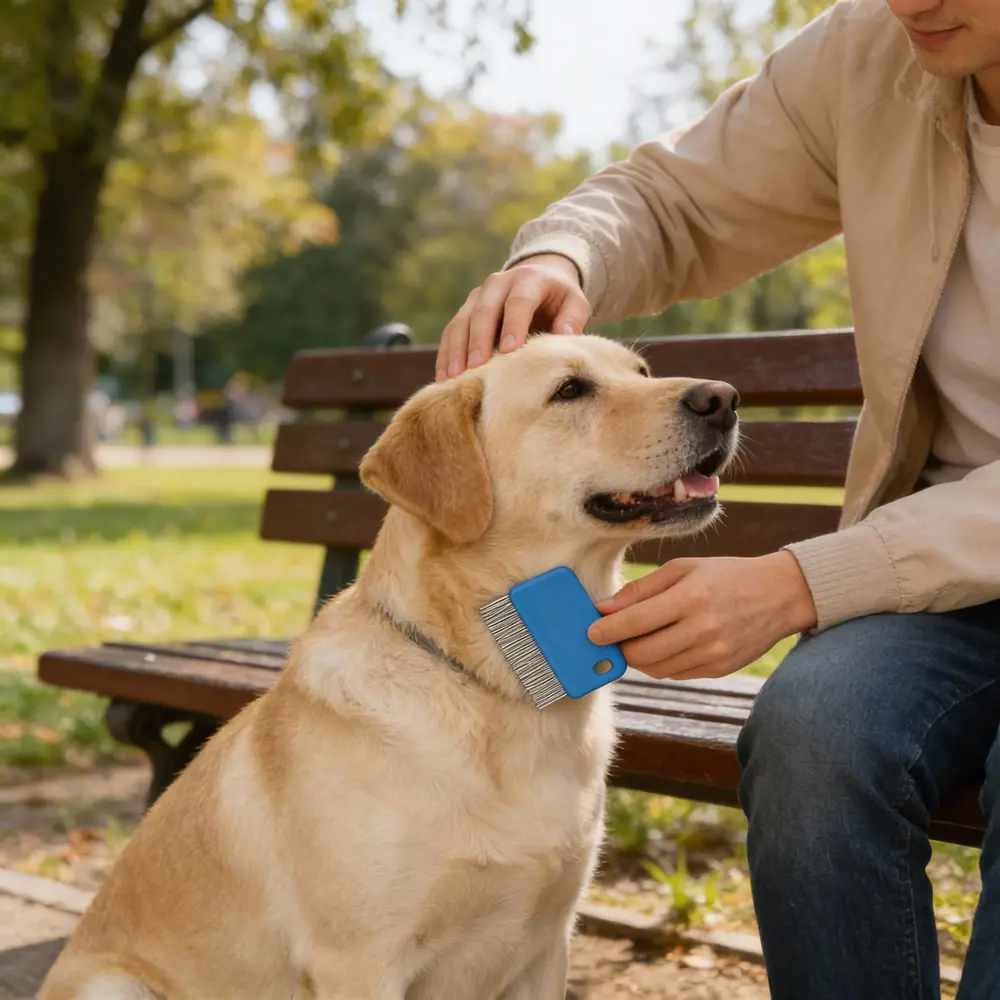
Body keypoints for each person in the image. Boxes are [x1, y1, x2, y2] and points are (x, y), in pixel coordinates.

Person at [436, 2, 1000, 998]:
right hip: (943, 576)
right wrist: (559, 254)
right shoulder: (869, 53)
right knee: (812, 726)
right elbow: (675, 200)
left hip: (920, 550)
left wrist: (799, 583)